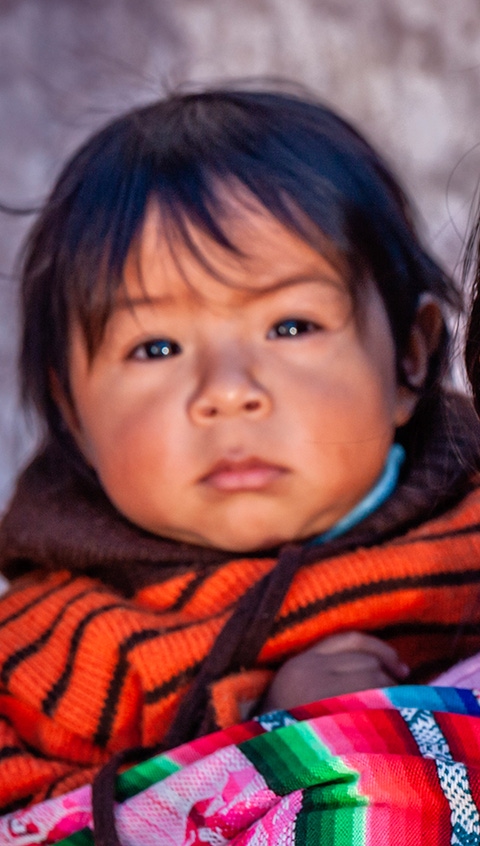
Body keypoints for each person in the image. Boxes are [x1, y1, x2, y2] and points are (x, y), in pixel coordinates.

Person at [1, 84, 480, 823]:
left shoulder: (470, 529)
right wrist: (260, 730)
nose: (227, 392)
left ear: (410, 360)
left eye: (290, 327)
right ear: (74, 411)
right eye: (155, 347)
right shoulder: (59, 643)